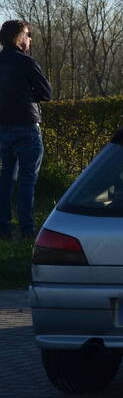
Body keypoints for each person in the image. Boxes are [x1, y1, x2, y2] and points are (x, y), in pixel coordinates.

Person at [0, 20, 52, 240]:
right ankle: (27, 229)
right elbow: (46, 93)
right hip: (26, 126)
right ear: (19, 38)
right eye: (28, 35)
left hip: (2, 128)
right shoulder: (26, 62)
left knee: (6, 179)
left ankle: (3, 228)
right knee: (27, 179)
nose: (30, 38)